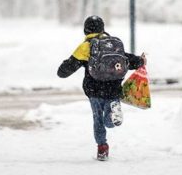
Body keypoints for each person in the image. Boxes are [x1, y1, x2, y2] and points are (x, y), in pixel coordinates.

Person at [57, 15, 146, 161]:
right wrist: (141, 60)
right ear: (103, 28)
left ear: (85, 30)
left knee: (98, 119)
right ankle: (113, 112)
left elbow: (64, 71)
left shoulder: (85, 47)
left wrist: (63, 67)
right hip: (114, 88)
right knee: (109, 120)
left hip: (94, 90)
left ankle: (102, 149)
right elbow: (128, 59)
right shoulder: (113, 44)